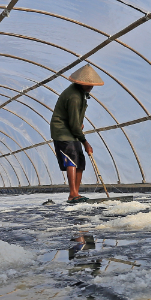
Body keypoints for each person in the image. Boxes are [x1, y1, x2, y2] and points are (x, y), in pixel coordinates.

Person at [50, 64, 104, 203]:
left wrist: (78, 125)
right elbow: (73, 123)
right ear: (80, 82)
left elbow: (75, 121)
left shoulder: (81, 94)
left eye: (92, 85)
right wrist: (85, 142)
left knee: (80, 160)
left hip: (71, 130)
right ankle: (72, 194)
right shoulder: (74, 96)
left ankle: (76, 193)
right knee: (71, 159)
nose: (91, 87)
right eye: (88, 84)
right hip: (62, 131)